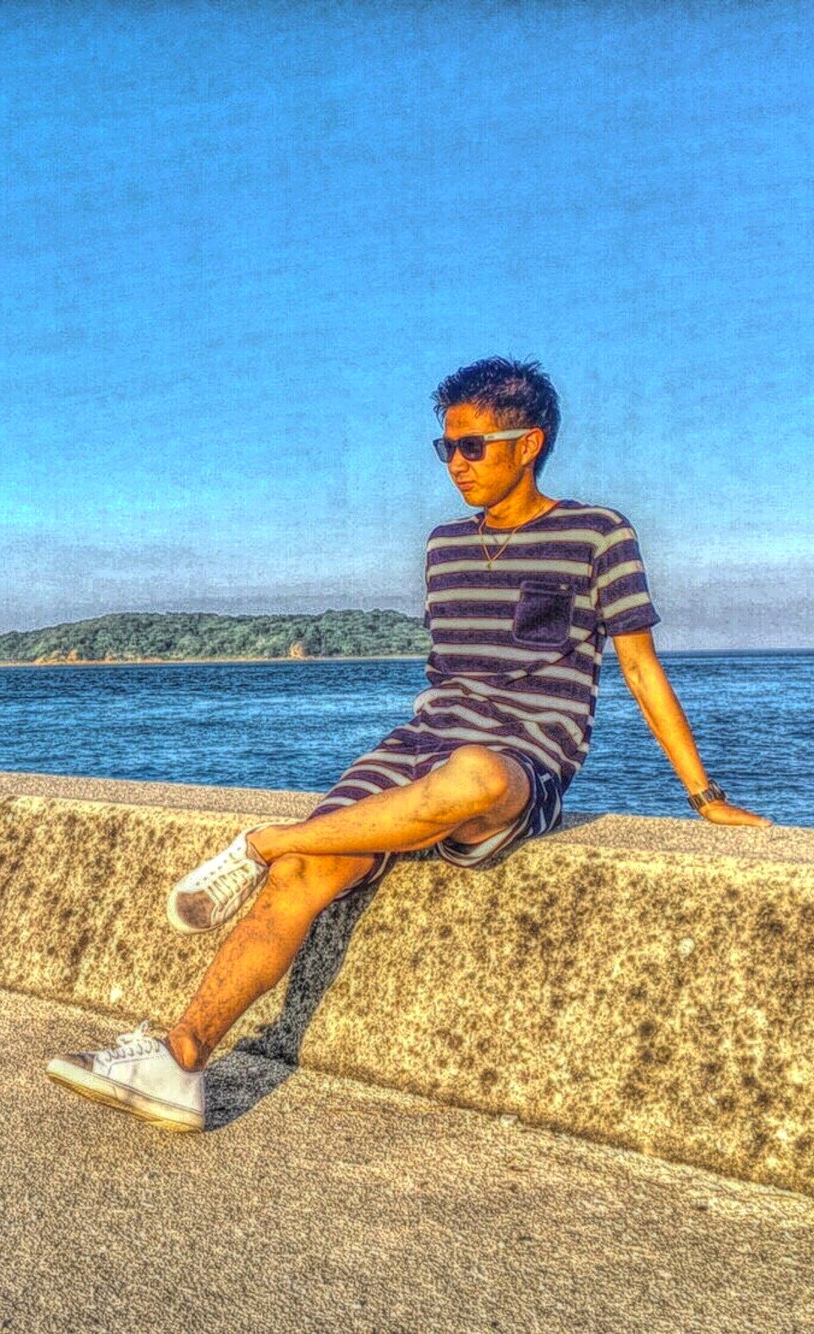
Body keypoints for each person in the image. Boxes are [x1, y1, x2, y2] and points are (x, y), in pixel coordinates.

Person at [46, 356, 772, 1131]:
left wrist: (705, 796)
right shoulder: (444, 546)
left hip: (521, 761)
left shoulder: (598, 534)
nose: (456, 463)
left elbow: (640, 668)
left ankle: (260, 841)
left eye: (473, 446)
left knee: (473, 774)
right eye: (446, 448)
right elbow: (453, 676)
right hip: (421, 743)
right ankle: (181, 1059)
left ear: (529, 444)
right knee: (304, 871)